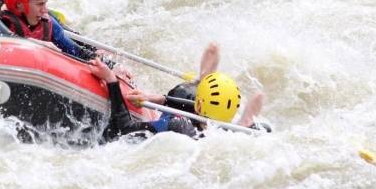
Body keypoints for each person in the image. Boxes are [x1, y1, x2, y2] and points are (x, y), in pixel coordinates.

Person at [89, 43, 266, 141]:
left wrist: (111, 80)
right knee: (223, 129)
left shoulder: (177, 125)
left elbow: (125, 130)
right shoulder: (215, 130)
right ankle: (244, 123)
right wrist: (149, 97)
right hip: (210, 130)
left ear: (198, 103)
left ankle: (200, 79)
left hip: (184, 129)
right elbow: (192, 108)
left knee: (181, 93)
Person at [0, 0, 95, 60]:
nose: (45, 10)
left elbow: (75, 51)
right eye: (40, 4)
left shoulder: (47, 23)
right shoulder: (2, 23)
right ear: (19, 5)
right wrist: (36, 44)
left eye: (45, 4)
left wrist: (94, 57)